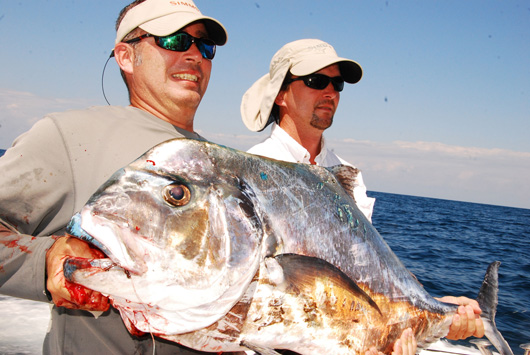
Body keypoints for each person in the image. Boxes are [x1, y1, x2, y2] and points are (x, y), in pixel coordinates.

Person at [0, 0, 239, 353]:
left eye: (204, 45)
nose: (194, 55)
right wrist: (46, 260)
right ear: (125, 56)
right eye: (173, 40)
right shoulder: (70, 136)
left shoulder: (226, 165)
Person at [240, 39, 485, 340]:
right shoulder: (254, 171)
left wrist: (435, 305)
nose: (330, 92)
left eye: (337, 83)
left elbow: (368, 272)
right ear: (281, 94)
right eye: (316, 81)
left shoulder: (347, 173)